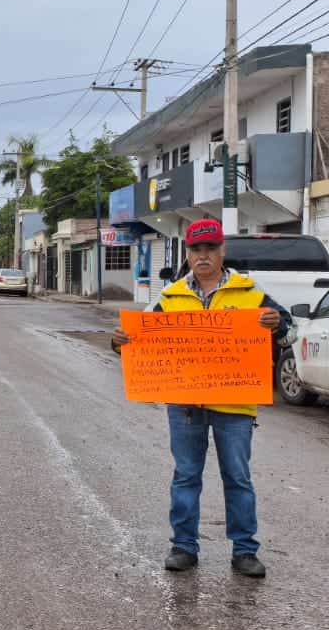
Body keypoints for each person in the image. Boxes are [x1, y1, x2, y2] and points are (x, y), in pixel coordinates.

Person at [109, 219, 292, 578]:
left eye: (210, 248)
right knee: (186, 476)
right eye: (196, 249)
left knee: (237, 477)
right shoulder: (170, 296)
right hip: (186, 405)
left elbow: (288, 331)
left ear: (223, 251)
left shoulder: (250, 292)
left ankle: (245, 551)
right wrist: (120, 342)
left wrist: (278, 324)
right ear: (188, 253)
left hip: (235, 404)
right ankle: (183, 547)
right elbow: (140, 339)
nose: (203, 255)